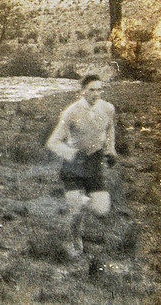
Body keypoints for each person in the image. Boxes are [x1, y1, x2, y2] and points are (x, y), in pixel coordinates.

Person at [46, 74, 117, 258]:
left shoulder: (108, 109)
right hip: (74, 164)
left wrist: (110, 150)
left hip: (94, 162)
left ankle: (82, 200)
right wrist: (72, 154)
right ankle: (75, 240)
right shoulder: (71, 112)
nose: (96, 93)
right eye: (91, 90)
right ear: (82, 92)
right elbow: (53, 142)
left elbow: (110, 130)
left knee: (102, 209)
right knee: (75, 211)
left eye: (99, 89)